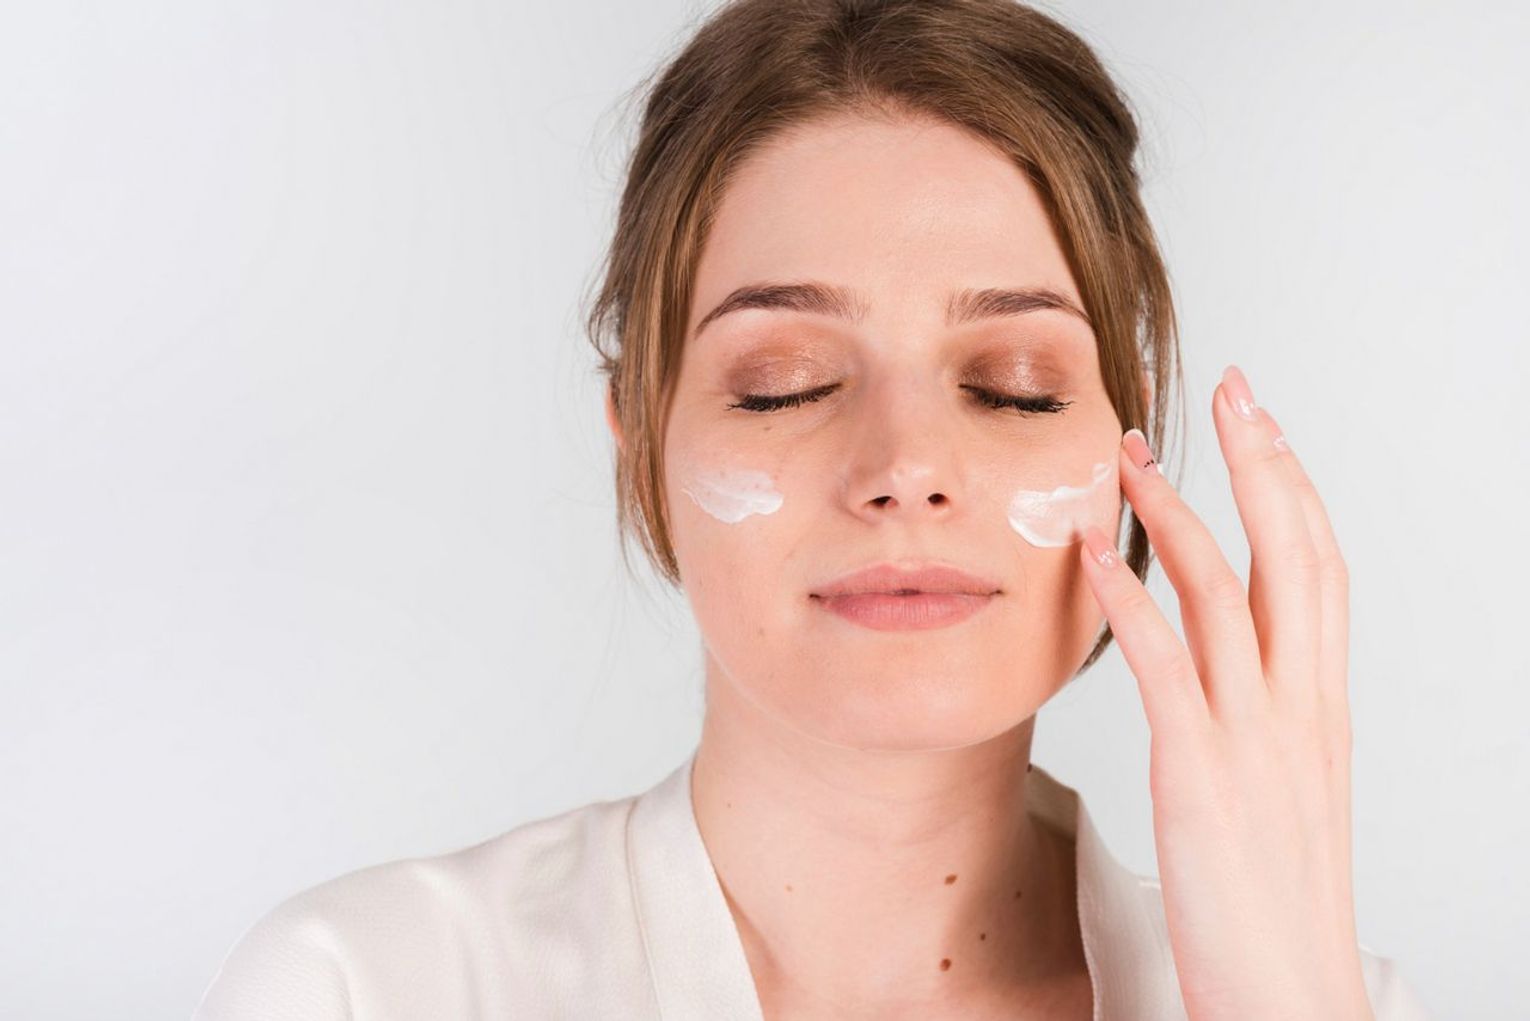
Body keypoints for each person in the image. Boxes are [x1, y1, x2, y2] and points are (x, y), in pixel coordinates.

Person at [194, 1, 1433, 1018]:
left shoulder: (1341, 1003)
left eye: (1014, 386)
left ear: (1128, 450)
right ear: (643, 444)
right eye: (785, 384)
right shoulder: (365, 987)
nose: (906, 465)